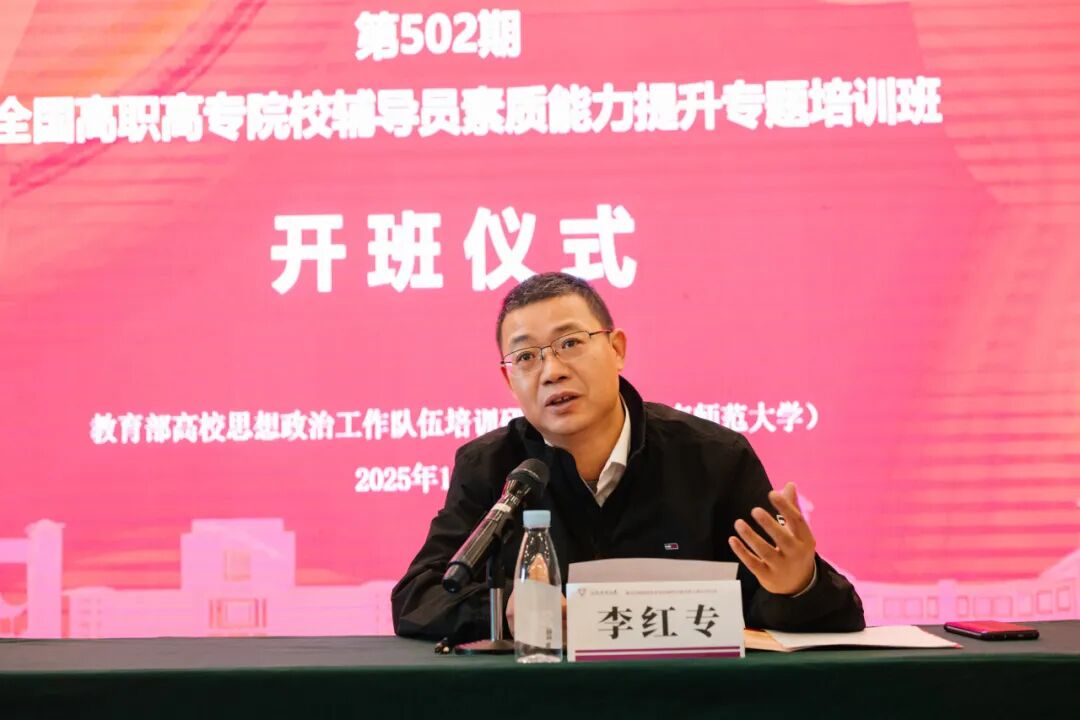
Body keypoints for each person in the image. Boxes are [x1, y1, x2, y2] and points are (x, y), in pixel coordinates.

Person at [391, 272, 865, 642]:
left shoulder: (713, 458)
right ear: (508, 380)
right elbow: (419, 596)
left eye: (570, 343)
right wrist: (504, 611)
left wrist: (797, 585)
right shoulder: (491, 467)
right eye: (527, 357)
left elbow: (811, 611)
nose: (551, 371)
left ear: (617, 349)